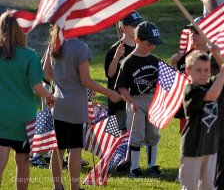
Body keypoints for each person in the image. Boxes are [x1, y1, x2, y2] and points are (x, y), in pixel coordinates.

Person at [44, 25, 122, 190]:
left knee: (57, 149)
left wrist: (61, 84)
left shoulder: (54, 43)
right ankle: (75, 187)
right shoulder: (81, 48)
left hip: (58, 103)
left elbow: (46, 72)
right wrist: (110, 93)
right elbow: (86, 81)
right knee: (75, 149)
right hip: (76, 106)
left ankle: (57, 187)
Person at [0, 9, 55, 190]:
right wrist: (50, 96)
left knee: (0, 161)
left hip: (2, 116)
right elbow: (37, 87)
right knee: (22, 162)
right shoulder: (29, 55)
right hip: (24, 118)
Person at [115, 21, 165, 178]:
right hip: (136, 101)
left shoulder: (155, 59)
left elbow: (164, 82)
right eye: (149, 44)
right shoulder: (129, 61)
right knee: (135, 135)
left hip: (153, 100)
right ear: (138, 40)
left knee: (152, 134)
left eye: (154, 44)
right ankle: (134, 168)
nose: (152, 47)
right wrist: (131, 101)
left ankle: (152, 165)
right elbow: (121, 87)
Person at [179, 50, 224, 190]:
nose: (203, 73)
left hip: (210, 146)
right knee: (190, 186)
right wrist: (223, 73)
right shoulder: (190, 90)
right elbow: (211, 95)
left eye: (206, 70)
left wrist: (216, 53)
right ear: (188, 70)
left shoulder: (211, 83)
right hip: (192, 147)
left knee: (209, 187)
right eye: (198, 70)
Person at [104, 11, 144, 134]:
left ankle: (132, 153)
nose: (138, 29)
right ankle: (124, 153)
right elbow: (110, 74)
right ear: (123, 28)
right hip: (120, 101)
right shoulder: (115, 49)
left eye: (140, 25)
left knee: (137, 133)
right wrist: (117, 57)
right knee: (125, 133)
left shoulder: (140, 47)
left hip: (136, 99)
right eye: (134, 26)